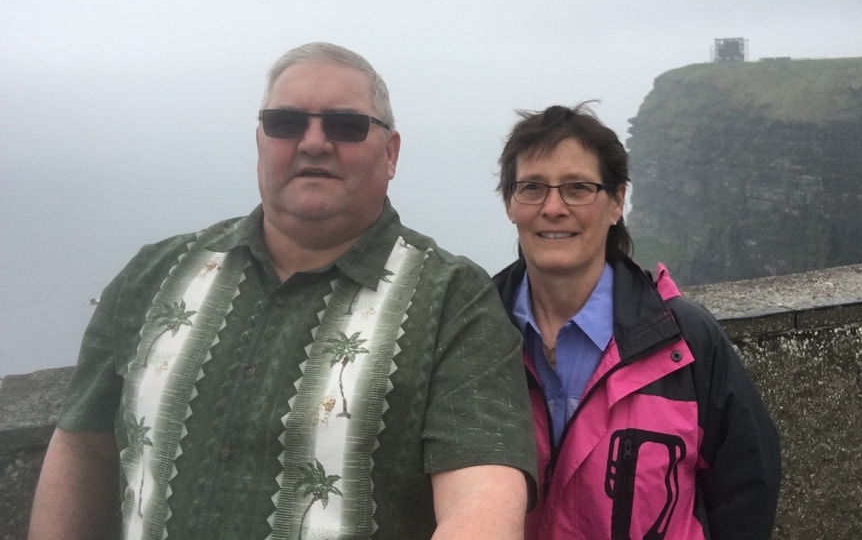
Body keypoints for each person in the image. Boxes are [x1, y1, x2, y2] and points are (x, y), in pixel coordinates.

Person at [29, 42, 536, 540]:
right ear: (260, 141)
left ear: (391, 152)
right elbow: (83, 447)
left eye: (345, 125)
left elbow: (483, 495)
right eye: (286, 123)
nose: (313, 142)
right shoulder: (153, 274)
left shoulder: (453, 298)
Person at [493, 103, 780, 540]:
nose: (553, 207)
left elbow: (746, 488)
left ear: (617, 202)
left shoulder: (686, 340)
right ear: (510, 204)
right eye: (532, 187)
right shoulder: (475, 332)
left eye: (577, 188)